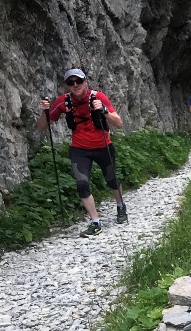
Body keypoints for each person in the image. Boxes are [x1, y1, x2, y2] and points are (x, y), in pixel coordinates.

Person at [38, 68, 127, 237]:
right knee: (82, 183)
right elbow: (42, 127)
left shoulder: (98, 97)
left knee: (112, 179)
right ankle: (95, 222)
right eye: (71, 82)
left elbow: (119, 123)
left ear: (85, 81)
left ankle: (121, 205)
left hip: (103, 146)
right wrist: (44, 111)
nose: (75, 85)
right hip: (79, 149)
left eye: (78, 81)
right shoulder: (62, 102)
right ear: (67, 86)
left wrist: (104, 111)